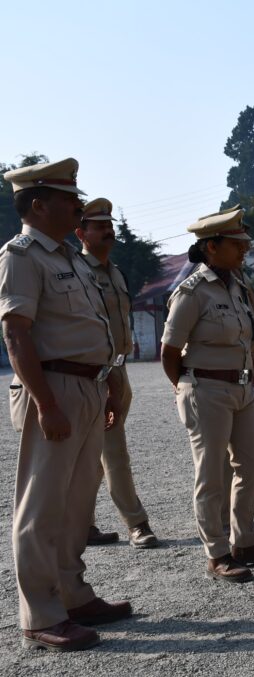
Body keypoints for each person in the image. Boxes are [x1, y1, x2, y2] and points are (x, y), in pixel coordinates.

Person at [1, 158, 131, 651]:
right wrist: (45, 404)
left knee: (77, 503)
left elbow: (93, 329)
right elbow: (16, 335)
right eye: (69, 199)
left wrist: (111, 384)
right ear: (38, 205)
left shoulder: (70, 258)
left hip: (90, 389)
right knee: (41, 507)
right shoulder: (22, 256)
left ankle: (73, 594)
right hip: (53, 390)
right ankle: (40, 614)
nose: (78, 206)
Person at [160, 207, 254, 583]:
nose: (244, 249)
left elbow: (246, 334)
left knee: (250, 466)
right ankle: (216, 553)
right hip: (206, 388)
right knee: (211, 474)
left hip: (242, 387)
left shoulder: (237, 285)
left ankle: (244, 541)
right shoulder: (192, 292)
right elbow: (168, 352)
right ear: (212, 247)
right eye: (236, 244)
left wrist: (252, 363)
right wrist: (186, 387)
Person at [76, 198, 160, 549]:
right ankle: (136, 524)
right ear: (81, 233)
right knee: (112, 454)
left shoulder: (115, 272)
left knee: (98, 457)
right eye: (99, 226)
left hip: (118, 373)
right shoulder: (76, 271)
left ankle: (84, 525)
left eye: (109, 224)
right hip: (91, 376)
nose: (108, 230)